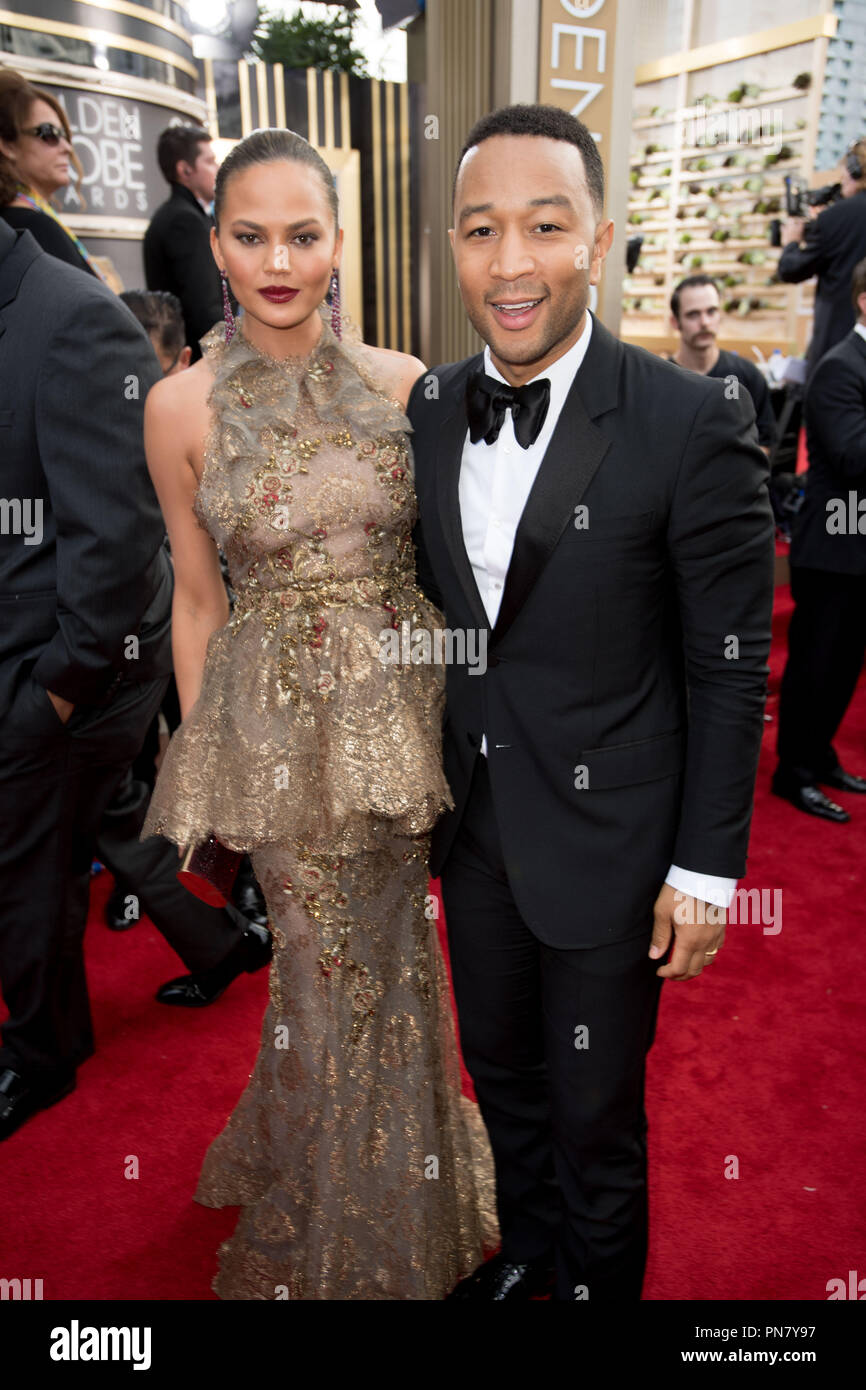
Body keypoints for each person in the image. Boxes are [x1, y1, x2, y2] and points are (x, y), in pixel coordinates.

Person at [409, 104, 775, 1302]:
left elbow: (727, 661)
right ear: (450, 247)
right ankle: (525, 1256)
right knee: (501, 1077)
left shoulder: (686, 420)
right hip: (475, 831)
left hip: (615, 848)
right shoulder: (427, 409)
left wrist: (707, 869)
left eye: (544, 225)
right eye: (479, 229)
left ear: (599, 239)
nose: (509, 261)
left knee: (594, 1115)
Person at [140, 127, 494, 1299]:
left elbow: (453, 568)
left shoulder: (405, 385)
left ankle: (395, 1176)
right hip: (274, 739)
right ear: (215, 245)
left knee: (394, 957)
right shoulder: (179, 406)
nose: (279, 259)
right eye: (251, 235)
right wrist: (212, 769)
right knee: (317, 960)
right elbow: (196, 601)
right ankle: (344, 1191)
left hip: (397, 731)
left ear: (341, 243)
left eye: (303, 233)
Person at [0, 219, 269, 1142]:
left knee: (28, 864)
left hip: (75, 663)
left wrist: (52, 696)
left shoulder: (67, 314)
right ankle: (223, 939)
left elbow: (120, 542)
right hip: (82, 660)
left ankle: (42, 1051)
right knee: (112, 811)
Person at [771, 257, 866, 821]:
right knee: (815, 669)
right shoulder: (840, 366)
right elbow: (852, 456)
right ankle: (794, 773)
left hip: (857, 549)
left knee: (846, 669)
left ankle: (822, 755)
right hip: (832, 551)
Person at [0, 67, 103, 280]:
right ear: (7, 145)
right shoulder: (31, 227)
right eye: (49, 134)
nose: (66, 147)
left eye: (64, 134)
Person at [777, 139, 866, 374]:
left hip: (840, 346)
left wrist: (793, 242)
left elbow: (791, 269)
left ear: (856, 171)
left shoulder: (836, 218)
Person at [668, 273, 776, 452]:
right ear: (675, 321)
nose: (704, 322)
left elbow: (765, 441)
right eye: (693, 315)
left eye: (711, 312)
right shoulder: (662, 381)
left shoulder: (746, 375)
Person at [143, 126, 223, 361]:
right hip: (198, 363)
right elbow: (205, 310)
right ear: (185, 169)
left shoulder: (183, 215)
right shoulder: (184, 220)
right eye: (209, 161)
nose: (217, 169)